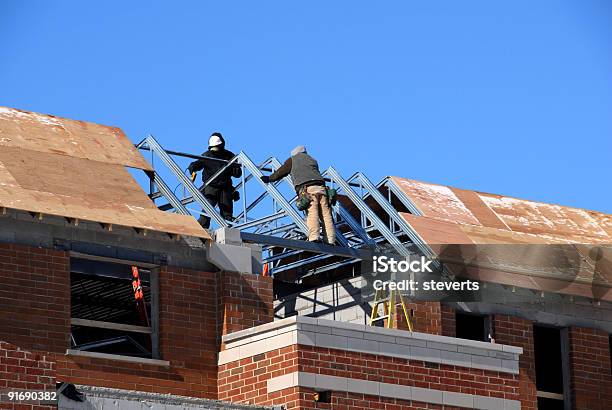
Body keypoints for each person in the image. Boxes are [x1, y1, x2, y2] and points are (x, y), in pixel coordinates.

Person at [261, 145, 336, 244]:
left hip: (308, 189)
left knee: (312, 212)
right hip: (322, 188)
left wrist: (270, 178)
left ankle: (314, 237)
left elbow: (281, 172)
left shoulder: (292, 160)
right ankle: (330, 240)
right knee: (326, 215)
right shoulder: (312, 160)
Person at [188, 132, 242, 228]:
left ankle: (227, 232)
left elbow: (237, 174)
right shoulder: (209, 155)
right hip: (212, 188)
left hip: (224, 189)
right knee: (207, 213)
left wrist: (236, 168)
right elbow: (198, 164)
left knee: (226, 216)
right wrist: (193, 167)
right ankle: (203, 230)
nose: (215, 150)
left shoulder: (228, 156)